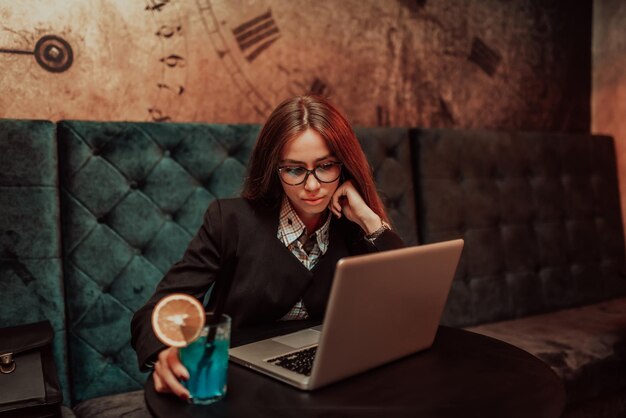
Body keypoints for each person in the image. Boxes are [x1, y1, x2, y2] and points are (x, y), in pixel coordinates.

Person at [130, 95, 404, 400]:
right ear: (274, 169)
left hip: (330, 384)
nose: (312, 186)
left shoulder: (353, 228)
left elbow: (404, 302)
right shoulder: (230, 220)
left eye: (326, 166)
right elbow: (155, 311)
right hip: (240, 386)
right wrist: (167, 353)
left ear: (345, 166)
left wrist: (370, 220)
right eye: (295, 170)